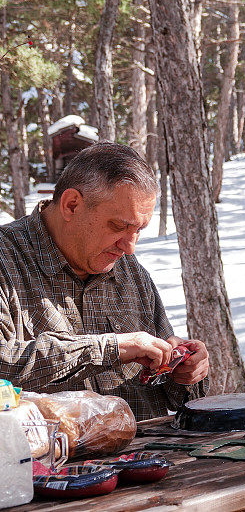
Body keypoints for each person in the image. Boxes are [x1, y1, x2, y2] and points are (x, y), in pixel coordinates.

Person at [0, 142, 208, 421]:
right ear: (71, 205)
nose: (130, 247)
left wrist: (184, 371)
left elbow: (167, 389)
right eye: (119, 226)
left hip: (150, 457)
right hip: (46, 462)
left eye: (139, 230)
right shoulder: (6, 261)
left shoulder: (129, 271)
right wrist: (110, 349)